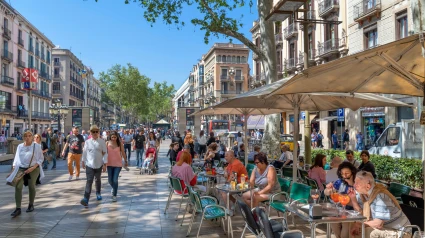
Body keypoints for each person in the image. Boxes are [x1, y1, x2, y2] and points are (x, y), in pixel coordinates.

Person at [348, 171, 411, 238]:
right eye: (355, 182)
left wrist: (360, 224)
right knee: (352, 225)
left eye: (358, 184)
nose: (354, 185)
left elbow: (378, 224)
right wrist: (353, 198)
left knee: (369, 232)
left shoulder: (380, 196)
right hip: (386, 228)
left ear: (368, 186)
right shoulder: (364, 195)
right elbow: (360, 213)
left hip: (401, 232)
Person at [6, 130, 44, 217]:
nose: (27, 138)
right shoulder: (20, 146)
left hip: (33, 168)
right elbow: (16, 158)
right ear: (23, 137)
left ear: (32, 137)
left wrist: (32, 168)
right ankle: (18, 208)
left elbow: (41, 159)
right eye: (25, 136)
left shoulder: (36, 146)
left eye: (29, 136)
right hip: (21, 168)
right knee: (18, 187)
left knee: (31, 186)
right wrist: (13, 170)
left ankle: (31, 204)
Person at [324, 162, 357, 238]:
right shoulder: (340, 182)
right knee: (332, 221)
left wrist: (342, 199)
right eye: (342, 173)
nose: (344, 176)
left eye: (347, 173)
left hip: (352, 212)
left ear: (352, 172)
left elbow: (356, 203)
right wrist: (328, 189)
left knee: (345, 223)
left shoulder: (357, 184)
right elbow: (326, 193)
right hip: (340, 210)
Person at [80, 125, 108, 207]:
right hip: (89, 164)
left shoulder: (102, 142)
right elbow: (84, 152)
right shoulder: (87, 142)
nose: (95, 133)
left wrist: (105, 164)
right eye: (93, 132)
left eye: (97, 132)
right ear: (91, 133)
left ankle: (98, 192)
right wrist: (83, 161)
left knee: (98, 179)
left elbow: (105, 153)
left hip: (99, 164)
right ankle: (86, 198)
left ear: (98, 132)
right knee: (89, 181)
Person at [106, 131, 127, 202]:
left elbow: (123, 152)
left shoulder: (119, 143)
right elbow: (104, 153)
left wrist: (125, 160)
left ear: (117, 137)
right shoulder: (107, 143)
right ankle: (114, 188)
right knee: (110, 180)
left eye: (115, 137)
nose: (113, 138)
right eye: (112, 137)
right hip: (109, 164)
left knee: (115, 179)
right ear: (110, 137)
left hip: (118, 164)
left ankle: (114, 194)